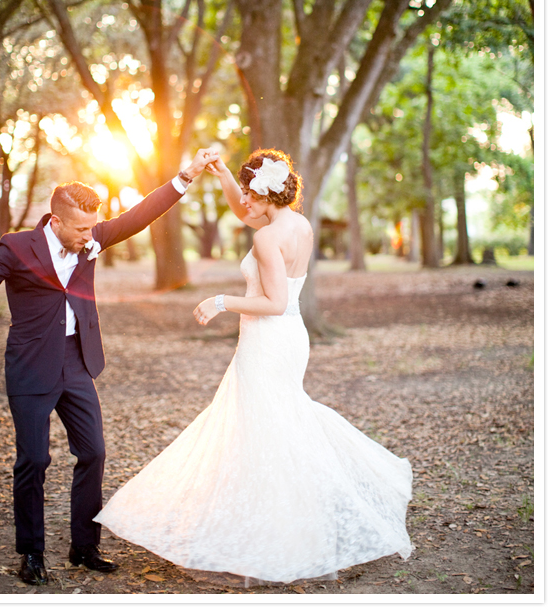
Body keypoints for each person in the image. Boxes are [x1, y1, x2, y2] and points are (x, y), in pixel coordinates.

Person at [94, 149, 413, 584]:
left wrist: (222, 301)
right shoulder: (295, 224)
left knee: (261, 428)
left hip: (267, 340)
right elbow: (249, 220)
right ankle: (284, 527)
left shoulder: (267, 238)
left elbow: (275, 303)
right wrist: (224, 173)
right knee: (274, 424)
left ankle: (272, 537)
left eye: (248, 192)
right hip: (289, 339)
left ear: (264, 193)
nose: (243, 200)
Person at [0, 148, 219, 586]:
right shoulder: (16, 246)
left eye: (93, 227)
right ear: (55, 221)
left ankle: (84, 545)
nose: (89, 236)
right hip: (31, 368)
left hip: (77, 362)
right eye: (80, 228)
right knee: (33, 460)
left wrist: (186, 175)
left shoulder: (92, 237)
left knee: (93, 452)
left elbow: (141, 214)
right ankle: (31, 553)